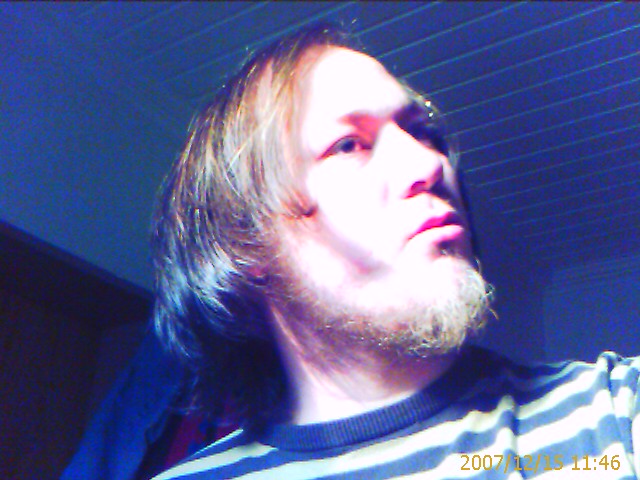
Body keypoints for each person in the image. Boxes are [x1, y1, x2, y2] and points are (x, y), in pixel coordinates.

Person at [150, 24, 639, 479]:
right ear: (245, 241)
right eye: (348, 145)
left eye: (422, 132)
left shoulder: (615, 410)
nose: (430, 163)